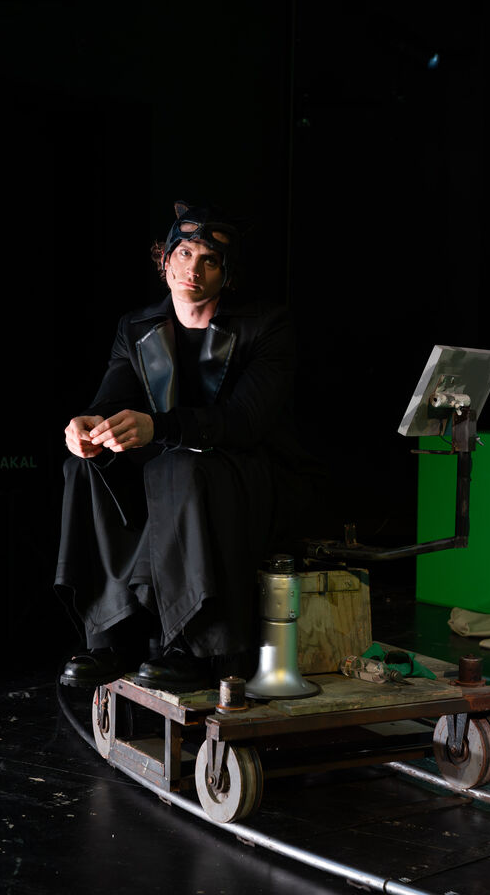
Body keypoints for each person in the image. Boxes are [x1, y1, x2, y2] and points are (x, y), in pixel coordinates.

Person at [54, 200, 318, 693]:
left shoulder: (266, 325)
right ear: (165, 259)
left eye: (209, 261)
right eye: (184, 254)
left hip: (249, 470)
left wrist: (160, 428)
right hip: (174, 463)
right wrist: (87, 427)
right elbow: (111, 400)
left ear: (227, 274)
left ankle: (191, 645)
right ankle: (111, 637)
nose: (193, 270)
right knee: (87, 466)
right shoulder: (136, 326)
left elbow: (244, 423)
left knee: (175, 469)